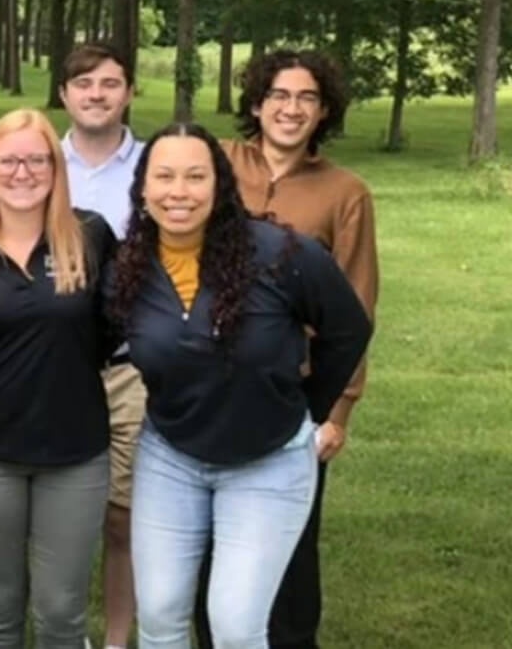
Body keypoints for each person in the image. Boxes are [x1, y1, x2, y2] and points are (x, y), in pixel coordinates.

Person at [106, 123, 372, 649]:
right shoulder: (126, 271)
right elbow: (77, 339)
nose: (178, 192)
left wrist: (307, 405)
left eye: (194, 176)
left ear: (220, 185)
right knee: (159, 618)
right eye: (163, 176)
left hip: (268, 461)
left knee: (234, 625)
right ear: (141, 187)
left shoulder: (280, 254)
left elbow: (348, 328)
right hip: (171, 458)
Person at [197, 49, 380, 649]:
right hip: (206, 381)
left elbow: (357, 304)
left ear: (323, 110)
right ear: (256, 102)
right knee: (206, 543)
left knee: (292, 548)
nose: (291, 109)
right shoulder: (217, 164)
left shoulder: (344, 193)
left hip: (293, 391)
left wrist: (338, 410)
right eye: (279, 95)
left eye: (306, 98)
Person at [0, 108, 116, 649]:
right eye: (8, 160)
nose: (22, 172)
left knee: (61, 613)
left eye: (37, 160)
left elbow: (117, 326)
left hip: (75, 452)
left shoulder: (91, 237)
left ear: (56, 169)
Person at [56, 42, 144, 649]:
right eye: (83, 83)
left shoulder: (154, 167)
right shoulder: (34, 162)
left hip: (129, 367)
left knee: (121, 517)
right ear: (64, 94)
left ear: (129, 92)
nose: (96, 94)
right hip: (49, 366)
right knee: (57, 519)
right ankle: (63, 633)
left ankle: (115, 639)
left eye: (109, 83)